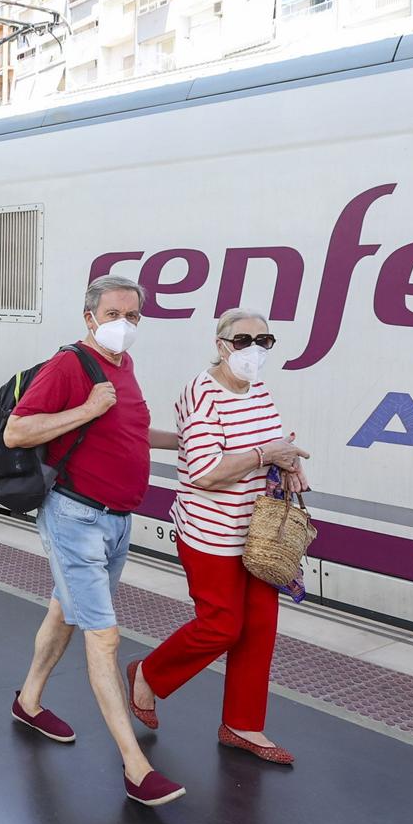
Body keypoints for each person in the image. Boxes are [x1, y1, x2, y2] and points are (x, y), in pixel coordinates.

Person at [4, 274, 187, 808]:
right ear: (90, 318)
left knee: (66, 609)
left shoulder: (123, 367)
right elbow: (18, 430)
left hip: (115, 521)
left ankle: (30, 701)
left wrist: (186, 438)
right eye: (113, 314)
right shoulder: (70, 366)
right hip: (75, 518)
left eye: (133, 316)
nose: (123, 325)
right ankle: (135, 766)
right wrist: (87, 408)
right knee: (103, 636)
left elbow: (128, 430)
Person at [127, 310, 311, 764]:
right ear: (221, 342)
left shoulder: (258, 389)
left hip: (258, 534)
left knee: (260, 630)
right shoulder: (201, 392)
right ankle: (148, 674)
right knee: (222, 625)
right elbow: (207, 472)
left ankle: (242, 725)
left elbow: (270, 442)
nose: (252, 347)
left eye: (262, 340)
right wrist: (266, 453)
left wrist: (288, 462)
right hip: (210, 532)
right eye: (242, 338)